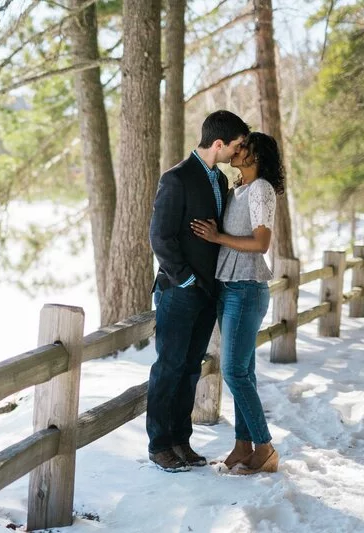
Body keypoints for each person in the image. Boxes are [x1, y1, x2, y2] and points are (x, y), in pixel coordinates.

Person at [147, 110, 249, 472]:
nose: (238, 152)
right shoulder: (175, 178)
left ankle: (180, 441)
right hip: (179, 291)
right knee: (168, 368)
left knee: (191, 368)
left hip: (208, 293)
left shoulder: (220, 182)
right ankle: (159, 445)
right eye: (236, 145)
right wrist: (186, 280)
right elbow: (160, 237)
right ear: (218, 143)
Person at [190, 131, 285, 475]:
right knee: (244, 370)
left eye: (243, 146)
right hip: (228, 286)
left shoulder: (260, 189)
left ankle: (265, 446)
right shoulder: (238, 190)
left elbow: (261, 242)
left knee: (232, 370)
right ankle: (244, 446)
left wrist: (217, 236)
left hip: (246, 287)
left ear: (255, 156)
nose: (236, 148)